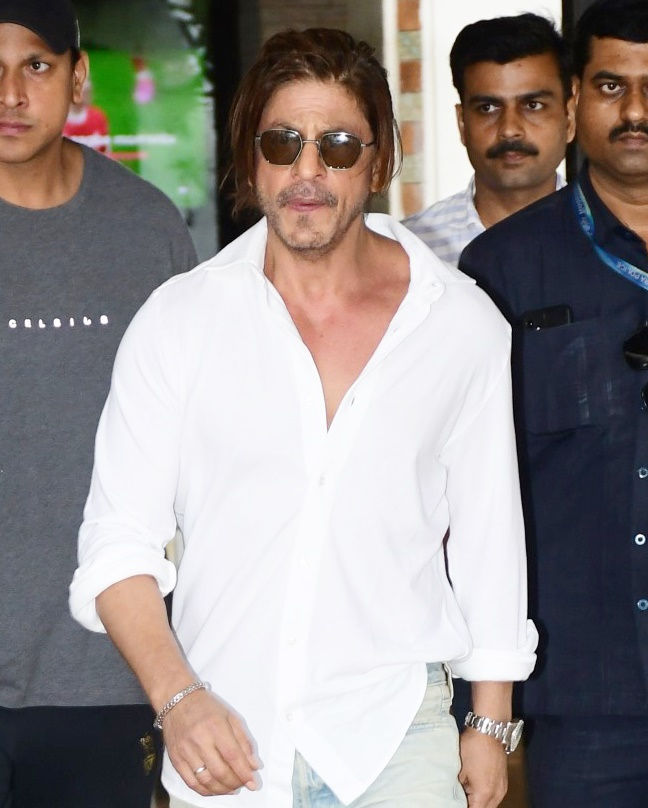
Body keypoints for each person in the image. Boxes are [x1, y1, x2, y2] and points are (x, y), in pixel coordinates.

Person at [69, 27, 536, 808]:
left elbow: (491, 541)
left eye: (339, 146)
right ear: (252, 159)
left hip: (395, 735)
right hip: (227, 736)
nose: (307, 171)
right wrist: (178, 700)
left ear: (378, 163)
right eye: (282, 143)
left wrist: (489, 724)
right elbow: (117, 542)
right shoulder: (180, 321)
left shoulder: (460, 325)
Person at [0, 0, 198, 805]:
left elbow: (197, 446)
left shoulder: (145, 229)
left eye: (35, 66)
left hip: (104, 666)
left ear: (77, 78)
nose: (11, 94)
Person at [459, 1, 648, 805]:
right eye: (610, 86)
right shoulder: (502, 268)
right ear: (574, 101)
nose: (634, 110)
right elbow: (468, 494)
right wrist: (482, 705)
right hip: (581, 695)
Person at [404, 13, 575, 265]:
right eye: (488, 108)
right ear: (462, 123)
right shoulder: (410, 250)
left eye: (533, 105)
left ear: (569, 118)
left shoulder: (615, 242)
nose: (509, 129)